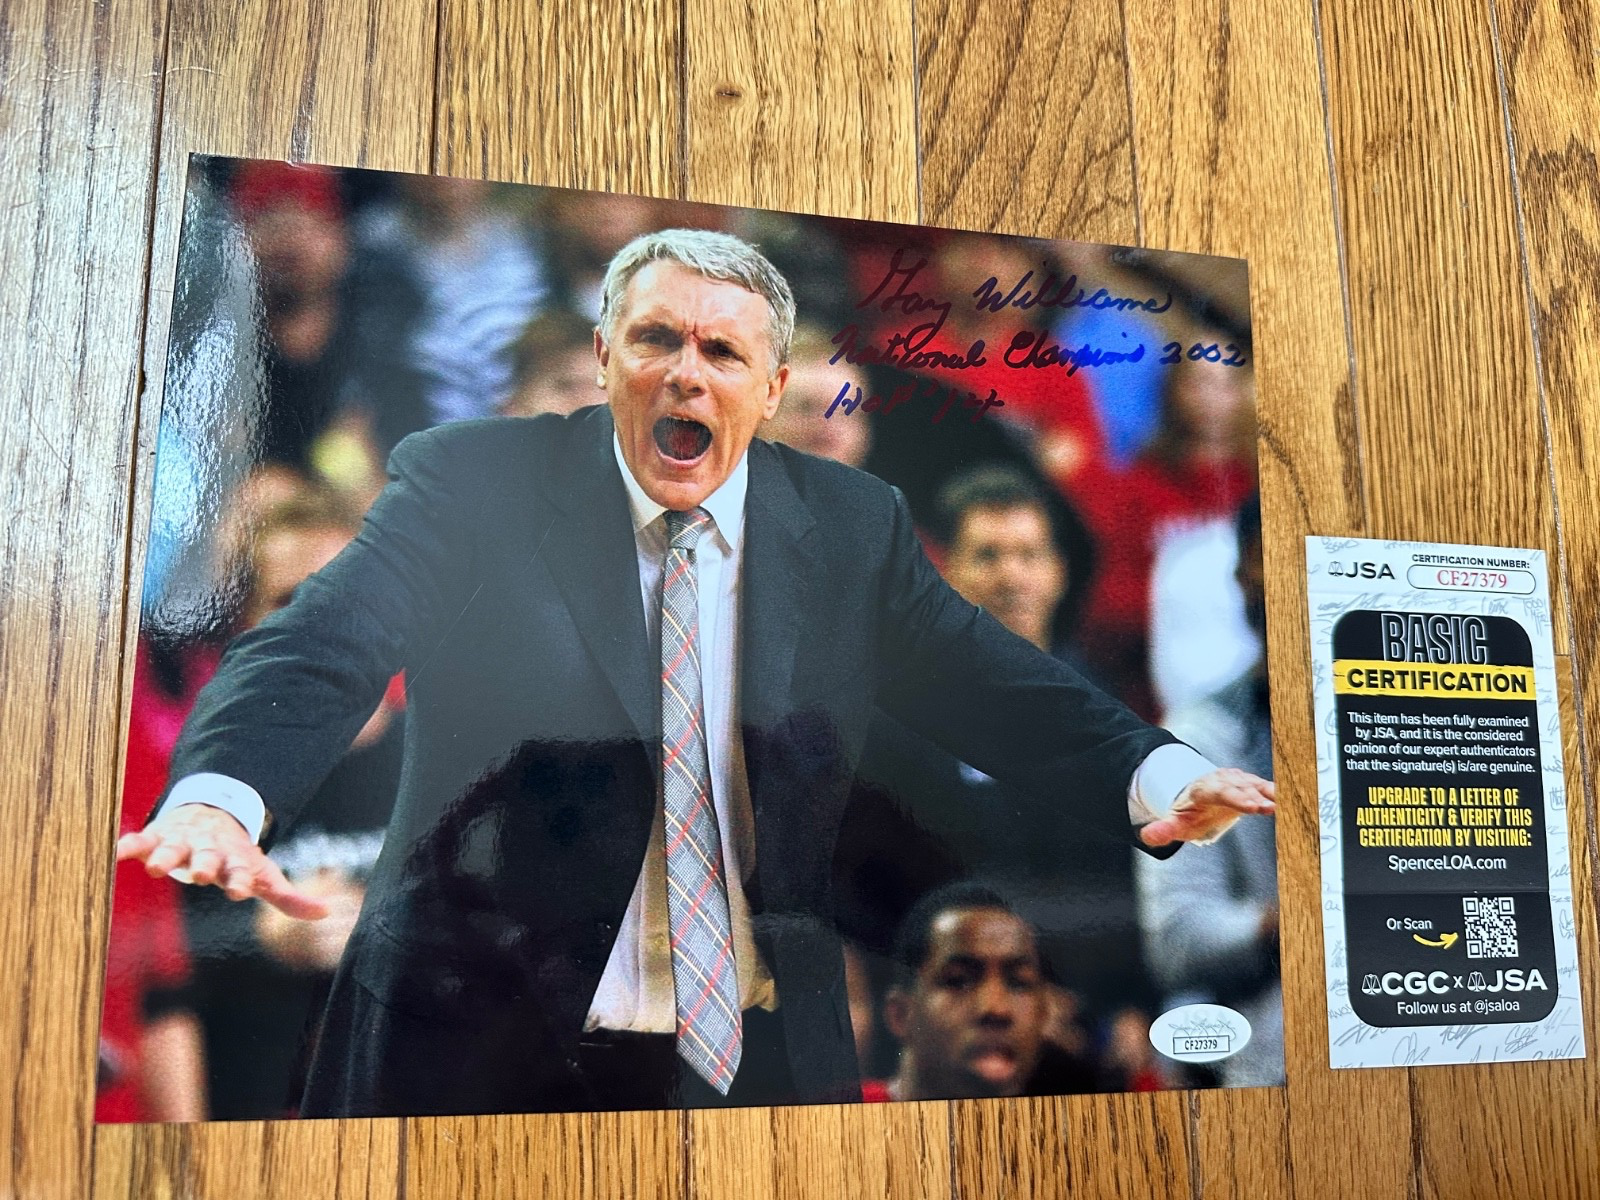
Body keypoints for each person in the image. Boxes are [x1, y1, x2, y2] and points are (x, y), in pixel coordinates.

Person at [119, 229, 1275, 1117]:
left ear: (771, 393)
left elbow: (991, 681)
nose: (686, 374)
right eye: (656, 341)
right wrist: (225, 793)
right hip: (488, 1049)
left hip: (761, 1058)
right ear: (608, 359)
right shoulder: (476, 486)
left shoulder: (845, 522)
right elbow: (323, 641)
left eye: (722, 350)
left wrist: (1154, 773)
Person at [1134, 496, 1283, 1088]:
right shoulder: (1199, 733)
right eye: (1273, 558)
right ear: (1243, 576)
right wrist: (1310, 922)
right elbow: (1178, 936)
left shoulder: (1422, 722)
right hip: (1267, 1033)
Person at [867, 883, 1100, 1101]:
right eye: (959, 981)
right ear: (901, 1015)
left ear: (1044, 1014)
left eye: (1019, 982)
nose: (996, 1009)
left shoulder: (1086, 1126)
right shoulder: (840, 1114)